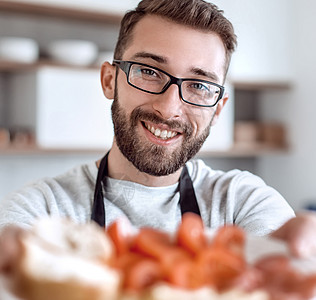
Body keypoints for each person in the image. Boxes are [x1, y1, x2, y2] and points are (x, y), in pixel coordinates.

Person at [0, 0, 315, 258]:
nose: (168, 108)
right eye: (149, 71)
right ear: (110, 80)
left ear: (218, 108)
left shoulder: (240, 202)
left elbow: (285, 265)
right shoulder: (42, 211)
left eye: (198, 85)